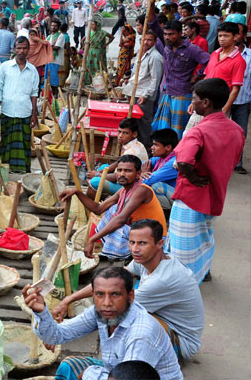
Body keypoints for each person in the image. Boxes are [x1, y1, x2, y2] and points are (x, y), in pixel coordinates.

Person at [53, 219, 204, 361]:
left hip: (181, 342)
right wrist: (69, 299)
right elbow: (110, 280)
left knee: (119, 314)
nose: (135, 249)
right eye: (132, 242)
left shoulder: (162, 279)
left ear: (160, 244)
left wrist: (59, 332)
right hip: (165, 321)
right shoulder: (149, 258)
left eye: (142, 243)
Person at [23, 267, 183, 380]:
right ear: (93, 294)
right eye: (100, 294)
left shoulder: (141, 335)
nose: (106, 303)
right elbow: (56, 335)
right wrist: (41, 312)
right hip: (114, 370)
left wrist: (89, 373)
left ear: (130, 296)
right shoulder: (99, 312)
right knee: (69, 366)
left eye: (115, 294)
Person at [167, 78, 244, 284]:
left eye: (195, 99)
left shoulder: (198, 131)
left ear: (206, 102)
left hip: (192, 195)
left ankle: (183, 285)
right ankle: (204, 270)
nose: (192, 103)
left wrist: (192, 176)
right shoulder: (237, 130)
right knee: (205, 236)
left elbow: (183, 160)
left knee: (183, 244)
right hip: (216, 193)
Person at [61, 155, 166, 260]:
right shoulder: (123, 190)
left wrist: (92, 239)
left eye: (128, 171)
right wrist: (77, 192)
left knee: (116, 222)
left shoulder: (142, 190)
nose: (122, 174)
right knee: (113, 211)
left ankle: (127, 256)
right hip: (139, 229)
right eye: (119, 170)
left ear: (138, 174)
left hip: (153, 236)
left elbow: (121, 219)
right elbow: (98, 209)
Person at [152, 20, 210, 138]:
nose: (167, 37)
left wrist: (197, 75)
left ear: (179, 33)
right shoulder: (166, 46)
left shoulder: (192, 49)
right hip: (166, 92)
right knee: (163, 130)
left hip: (182, 94)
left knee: (178, 132)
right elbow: (153, 24)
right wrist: (152, 4)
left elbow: (209, 61)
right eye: (165, 34)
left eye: (171, 34)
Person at [0, 36, 38, 173]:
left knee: (24, 142)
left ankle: (22, 169)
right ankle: (5, 167)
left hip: (25, 111)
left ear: (28, 50)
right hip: (7, 111)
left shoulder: (33, 70)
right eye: (19, 48)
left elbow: (34, 93)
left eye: (25, 48)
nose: (21, 51)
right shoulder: (4, 67)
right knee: (6, 141)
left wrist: (34, 114)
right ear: (14, 49)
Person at [121, 31, 164, 147]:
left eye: (149, 40)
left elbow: (155, 80)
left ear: (155, 42)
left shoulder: (155, 57)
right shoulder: (142, 53)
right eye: (144, 39)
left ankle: (145, 148)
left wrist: (146, 95)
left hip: (143, 95)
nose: (146, 42)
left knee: (143, 124)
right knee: (133, 123)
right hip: (135, 92)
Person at [87, 118, 149, 196]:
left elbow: (118, 176)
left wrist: (97, 175)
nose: (120, 136)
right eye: (119, 132)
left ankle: (91, 205)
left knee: (95, 181)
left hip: (129, 186)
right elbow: (118, 163)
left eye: (125, 133)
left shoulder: (133, 151)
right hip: (122, 176)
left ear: (134, 134)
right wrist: (99, 172)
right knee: (104, 167)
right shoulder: (135, 144)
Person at [200, 22, 246, 119]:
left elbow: (235, 89)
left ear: (235, 36)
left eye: (226, 36)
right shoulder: (214, 54)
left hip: (219, 105)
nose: (222, 39)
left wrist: (224, 109)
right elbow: (206, 78)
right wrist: (196, 100)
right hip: (204, 102)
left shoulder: (238, 61)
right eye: (220, 35)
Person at [140, 129, 179, 210]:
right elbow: (138, 165)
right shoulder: (159, 159)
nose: (152, 148)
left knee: (156, 186)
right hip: (169, 196)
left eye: (156, 145)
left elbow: (149, 180)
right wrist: (140, 173)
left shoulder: (173, 162)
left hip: (178, 200)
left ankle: (166, 213)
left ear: (168, 147)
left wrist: (143, 174)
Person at [230, 23, 251, 174]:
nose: (236, 36)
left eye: (238, 33)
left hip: (243, 100)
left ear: (244, 36)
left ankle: (238, 163)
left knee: (240, 133)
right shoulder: (221, 54)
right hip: (224, 101)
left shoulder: (250, 56)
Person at [84, 14, 115, 85]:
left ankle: (100, 82)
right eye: (91, 25)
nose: (92, 26)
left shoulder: (102, 33)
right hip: (91, 52)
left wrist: (106, 44)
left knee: (99, 67)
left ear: (97, 25)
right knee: (90, 66)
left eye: (93, 25)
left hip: (99, 53)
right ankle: (90, 81)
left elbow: (112, 37)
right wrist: (85, 46)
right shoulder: (90, 32)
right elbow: (83, 40)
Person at [46, 19, 66, 94]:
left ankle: (56, 95)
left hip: (56, 60)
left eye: (55, 26)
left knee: (54, 80)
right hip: (49, 60)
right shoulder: (49, 36)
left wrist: (46, 45)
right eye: (52, 25)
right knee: (48, 79)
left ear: (58, 27)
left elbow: (56, 47)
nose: (53, 27)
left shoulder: (61, 36)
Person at [114, 21, 136, 86]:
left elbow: (121, 42)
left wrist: (120, 33)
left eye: (125, 31)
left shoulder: (131, 37)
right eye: (123, 32)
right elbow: (121, 44)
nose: (124, 33)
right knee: (119, 70)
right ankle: (119, 84)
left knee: (122, 71)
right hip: (122, 56)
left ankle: (120, 84)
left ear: (129, 31)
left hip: (125, 57)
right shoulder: (127, 37)